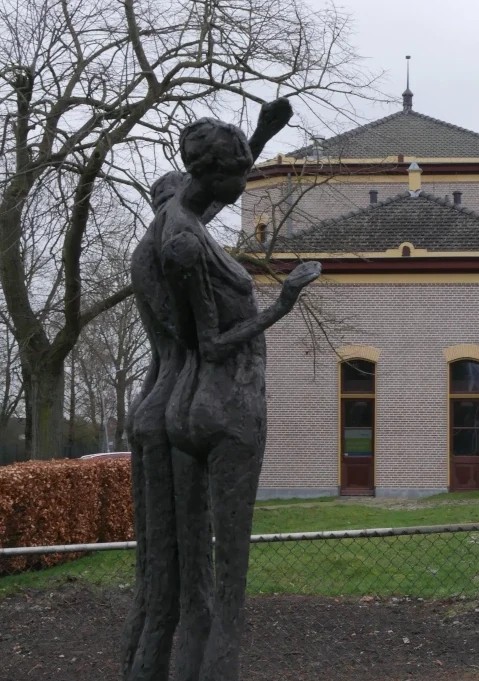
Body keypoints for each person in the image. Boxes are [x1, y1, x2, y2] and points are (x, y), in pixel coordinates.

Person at [125, 101, 320, 681]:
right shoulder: (183, 244)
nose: (239, 192)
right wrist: (283, 302)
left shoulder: (174, 219)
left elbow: (217, 190)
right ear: (206, 177)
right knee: (213, 585)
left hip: (171, 401)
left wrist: (259, 135)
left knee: (170, 585)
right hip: (218, 405)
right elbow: (210, 344)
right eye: (237, 175)